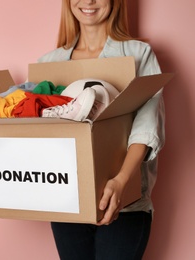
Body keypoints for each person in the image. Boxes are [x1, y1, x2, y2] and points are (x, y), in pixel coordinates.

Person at [37, 0, 164, 259]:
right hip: (68, 204)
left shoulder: (139, 54)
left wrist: (120, 181)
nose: (89, 1)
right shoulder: (49, 63)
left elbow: (146, 125)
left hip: (126, 205)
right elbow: (40, 139)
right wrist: (2, 194)